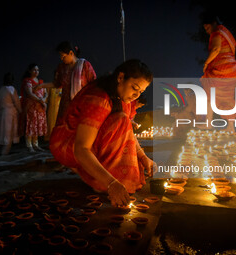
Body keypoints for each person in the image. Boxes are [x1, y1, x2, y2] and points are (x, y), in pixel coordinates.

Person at [50, 59, 156, 207]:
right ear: (120, 78)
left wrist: (143, 157)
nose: (136, 95)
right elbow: (81, 149)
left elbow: (129, 132)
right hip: (67, 144)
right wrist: (111, 183)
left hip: (84, 142)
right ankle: (98, 181)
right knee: (121, 121)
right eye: (134, 88)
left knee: (123, 122)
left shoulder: (122, 99)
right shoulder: (99, 98)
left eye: (141, 92)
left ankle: (98, 174)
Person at [35, 41, 96, 124]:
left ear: (71, 53)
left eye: (63, 56)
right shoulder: (62, 68)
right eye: (60, 56)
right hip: (65, 108)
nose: (61, 58)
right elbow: (56, 84)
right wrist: (42, 85)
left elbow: (94, 84)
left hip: (81, 106)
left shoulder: (85, 65)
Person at [200, 13, 236, 132]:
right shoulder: (226, 32)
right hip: (232, 69)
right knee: (227, 97)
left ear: (213, 23)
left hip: (221, 69)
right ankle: (231, 126)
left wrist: (206, 63)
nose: (207, 31)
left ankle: (208, 123)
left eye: (207, 28)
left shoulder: (217, 32)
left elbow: (216, 49)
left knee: (210, 94)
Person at [20, 64, 48, 153]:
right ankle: (29, 145)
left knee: (37, 125)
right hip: (31, 107)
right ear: (29, 71)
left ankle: (36, 145)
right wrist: (40, 100)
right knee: (31, 125)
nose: (36, 72)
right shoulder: (28, 81)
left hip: (39, 107)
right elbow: (29, 93)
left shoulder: (40, 82)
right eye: (34, 70)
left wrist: (43, 99)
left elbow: (46, 93)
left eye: (38, 70)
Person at [0, 73, 21, 155]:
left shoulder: (1, 89)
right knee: (9, 134)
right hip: (10, 114)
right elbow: (17, 102)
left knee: (4, 134)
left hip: (2, 113)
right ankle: (4, 154)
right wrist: (21, 111)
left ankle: (3, 152)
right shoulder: (11, 89)